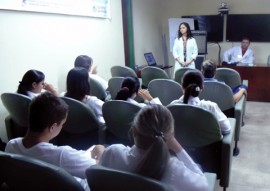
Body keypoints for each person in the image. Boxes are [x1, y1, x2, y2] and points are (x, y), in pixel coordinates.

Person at [5, 92, 105, 190]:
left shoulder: (11, 146)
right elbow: (98, 171)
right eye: (62, 124)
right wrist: (100, 152)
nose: (62, 128)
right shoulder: (62, 155)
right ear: (52, 127)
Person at [100, 104, 208, 191]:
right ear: (171, 136)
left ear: (133, 131)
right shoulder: (176, 171)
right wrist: (178, 148)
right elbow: (204, 186)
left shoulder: (113, 153)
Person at [170, 70, 231, 135]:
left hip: (180, 145)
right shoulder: (210, 107)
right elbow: (226, 129)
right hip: (209, 144)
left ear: (182, 86)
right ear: (202, 88)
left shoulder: (172, 105)